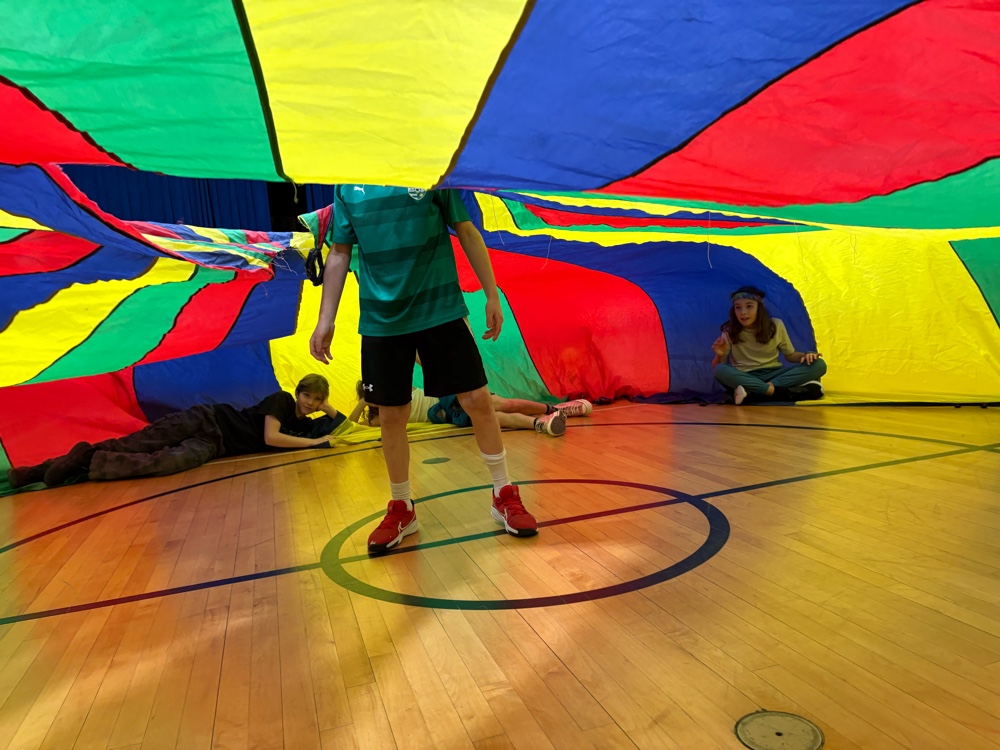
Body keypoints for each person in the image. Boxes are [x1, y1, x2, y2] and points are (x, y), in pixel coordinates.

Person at [309, 185, 537, 553]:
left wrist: (491, 294)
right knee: (390, 415)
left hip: (440, 310)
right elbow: (339, 252)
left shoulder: (426, 172)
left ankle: (503, 493)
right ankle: (402, 508)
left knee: (477, 400)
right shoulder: (346, 186)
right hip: (382, 321)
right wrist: (326, 319)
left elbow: (466, 229)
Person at [6, 374, 344, 489]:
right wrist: (314, 442)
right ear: (298, 393)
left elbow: (342, 423)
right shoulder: (281, 400)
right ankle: (35, 471)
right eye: (308, 396)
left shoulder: (303, 425)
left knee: (165, 462)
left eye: (317, 400)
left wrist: (328, 408)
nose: (311, 403)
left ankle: (85, 461)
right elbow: (271, 437)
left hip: (215, 446)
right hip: (208, 420)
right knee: (136, 444)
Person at [711, 286, 827, 405]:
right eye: (738, 307)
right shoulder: (729, 330)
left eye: (749, 306)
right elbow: (717, 368)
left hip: (775, 376)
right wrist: (719, 355)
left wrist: (806, 356)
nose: (743, 312)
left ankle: (756, 393)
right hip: (746, 377)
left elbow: (790, 355)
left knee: (819, 364)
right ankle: (780, 392)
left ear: (759, 307)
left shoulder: (776, 325)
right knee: (720, 370)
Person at [350, 379, 593, 436]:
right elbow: (351, 426)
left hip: (450, 397)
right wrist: (363, 403)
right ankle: (541, 424)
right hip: (449, 415)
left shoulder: (402, 390)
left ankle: (554, 409)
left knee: (502, 404)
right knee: (497, 418)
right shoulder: (382, 419)